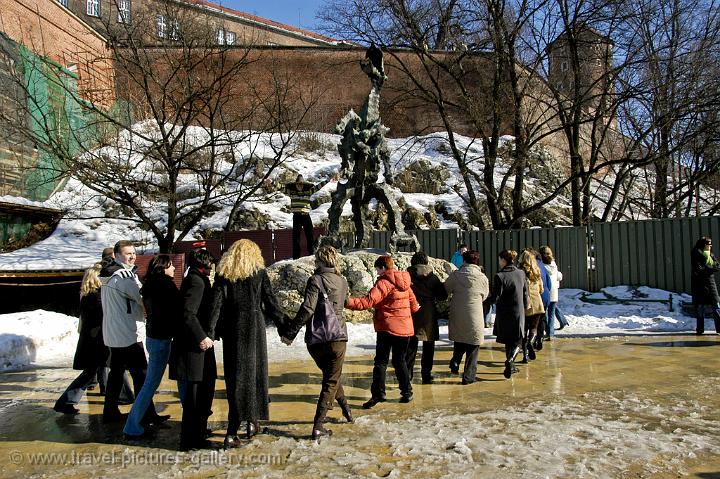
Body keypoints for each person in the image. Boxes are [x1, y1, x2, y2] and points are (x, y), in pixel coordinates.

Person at [209, 239, 287, 448]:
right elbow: (271, 303)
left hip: (233, 330)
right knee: (255, 376)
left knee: (236, 379)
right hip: (254, 328)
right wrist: (285, 327)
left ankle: (238, 428)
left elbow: (215, 305)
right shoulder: (259, 273)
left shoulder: (224, 274)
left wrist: (210, 332)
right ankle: (247, 425)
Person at [282, 245, 352, 439]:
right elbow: (346, 302)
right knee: (331, 378)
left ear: (319, 261)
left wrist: (290, 332)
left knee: (331, 376)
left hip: (316, 339)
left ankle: (347, 411)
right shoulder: (343, 281)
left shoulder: (315, 280)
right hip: (337, 336)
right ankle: (319, 425)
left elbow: (307, 309)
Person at [100, 240, 166, 425]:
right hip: (128, 333)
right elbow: (141, 297)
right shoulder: (124, 276)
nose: (132, 256)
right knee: (142, 375)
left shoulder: (108, 275)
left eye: (134, 253)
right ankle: (147, 414)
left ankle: (110, 411)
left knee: (116, 373)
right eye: (127, 253)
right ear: (117, 256)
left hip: (114, 333)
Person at [346, 255, 419, 408]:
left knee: (381, 362)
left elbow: (368, 301)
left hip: (387, 328)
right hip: (405, 329)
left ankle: (378, 394)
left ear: (383, 268)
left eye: (378, 269)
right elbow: (414, 305)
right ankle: (407, 392)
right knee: (400, 361)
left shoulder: (384, 282)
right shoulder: (405, 282)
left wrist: (346, 302)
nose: (377, 273)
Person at [123, 255, 180, 439]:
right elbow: (177, 309)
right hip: (163, 338)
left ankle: (136, 422)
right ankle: (132, 426)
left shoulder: (149, 285)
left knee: (151, 383)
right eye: (171, 266)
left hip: (154, 336)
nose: (174, 269)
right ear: (163, 267)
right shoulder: (166, 285)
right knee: (151, 384)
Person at [170, 249, 218, 451]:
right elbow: (188, 314)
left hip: (195, 349)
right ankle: (191, 440)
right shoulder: (197, 282)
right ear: (205, 264)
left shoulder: (195, 278)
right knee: (195, 397)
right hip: (193, 349)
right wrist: (203, 337)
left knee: (199, 395)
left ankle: (196, 435)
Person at [53, 263, 110, 414]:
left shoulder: (87, 294)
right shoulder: (96, 296)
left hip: (91, 340)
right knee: (90, 372)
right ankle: (65, 401)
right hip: (96, 340)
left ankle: (67, 401)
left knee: (94, 371)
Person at [444, 250, 489, 385]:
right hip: (475, 314)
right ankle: (468, 377)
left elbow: (445, 289)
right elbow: (485, 295)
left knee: (460, 339)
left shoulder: (455, 275)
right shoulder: (483, 277)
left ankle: (456, 361)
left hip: (458, 313)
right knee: (473, 346)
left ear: (464, 261)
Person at [405, 251, 447, 384]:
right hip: (429, 313)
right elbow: (442, 296)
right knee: (429, 345)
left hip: (411, 311)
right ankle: (426, 375)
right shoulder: (433, 277)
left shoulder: (407, 276)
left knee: (411, 345)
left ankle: (408, 375)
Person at [487, 250, 528, 379]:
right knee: (518, 340)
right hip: (518, 311)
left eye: (500, 259)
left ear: (504, 260)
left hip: (504, 313)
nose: (499, 262)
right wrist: (526, 305)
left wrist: (487, 299)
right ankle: (510, 362)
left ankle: (510, 362)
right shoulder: (521, 273)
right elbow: (525, 292)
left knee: (509, 341)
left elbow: (496, 297)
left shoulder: (499, 276)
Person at [279, 174, 332, 259]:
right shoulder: (292, 193)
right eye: (298, 184)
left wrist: (328, 180)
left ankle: (311, 254)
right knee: (296, 237)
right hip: (297, 216)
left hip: (306, 216)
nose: (300, 186)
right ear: (295, 185)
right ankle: (296, 257)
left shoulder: (308, 192)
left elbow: (318, 187)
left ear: (303, 185)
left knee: (310, 235)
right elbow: (281, 188)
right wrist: (271, 183)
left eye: (301, 184)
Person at [519, 250, 545, 363]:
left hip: (525, 304)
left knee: (524, 331)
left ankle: (525, 356)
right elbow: (541, 289)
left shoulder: (520, 271)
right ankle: (531, 341)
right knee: (534, 328)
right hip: (537, 303)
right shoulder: (537, 271)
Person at [690, 236, 720, 335]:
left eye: (711, 244)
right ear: (703, 244)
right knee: (700, 307)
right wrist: (710, 269)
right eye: (708, 244)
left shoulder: (710, 254)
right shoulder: (696, 253)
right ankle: (700, 329)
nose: (710, 246)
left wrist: (711, 268)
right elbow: (699, 269)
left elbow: (717, 265)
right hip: (699, 283)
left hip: (710, 282)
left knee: (716, 304)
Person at [539, 246, 569, 338]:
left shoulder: (541, 265)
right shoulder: (553, 263)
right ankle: (554, 330)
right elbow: (558, 276)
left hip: (546, 290)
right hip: (554, 291)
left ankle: (549, 332)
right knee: (552, 310)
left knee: (546, 313)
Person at [534, 249, 552, 352]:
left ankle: (533, 339)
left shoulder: (531, 267)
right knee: (542, 319)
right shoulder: (543, 267)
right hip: (545, 296)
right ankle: (540, 338)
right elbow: (549, 283)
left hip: (536, 297)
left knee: (533, 321)